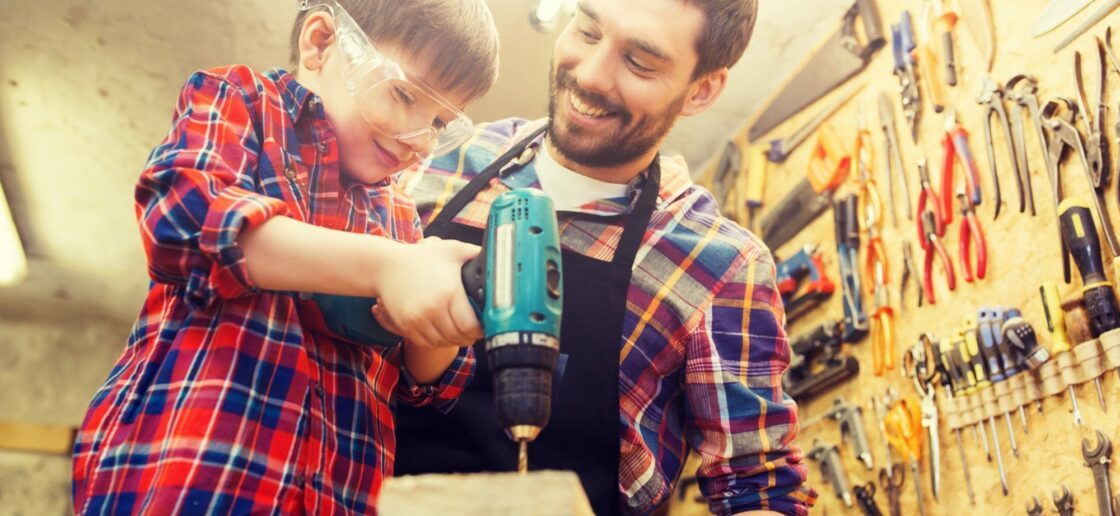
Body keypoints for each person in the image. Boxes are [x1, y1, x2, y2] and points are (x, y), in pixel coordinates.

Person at [71, 0, 499, 513]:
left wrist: (443, 317)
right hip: (191, 479)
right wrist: (387, 267)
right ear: (320, 44)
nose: (417, 140)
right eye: (405, 95)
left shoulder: (401, 221)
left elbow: (428, 385)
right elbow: (184, 218)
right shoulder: (242, 102)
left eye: (438, 123)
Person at [394, 0, 816, 514]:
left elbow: (759, 488)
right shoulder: (433, 154)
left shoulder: (721, 267)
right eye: (588, 30)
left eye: (640, 61)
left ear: (701, 89)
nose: (592, 76)